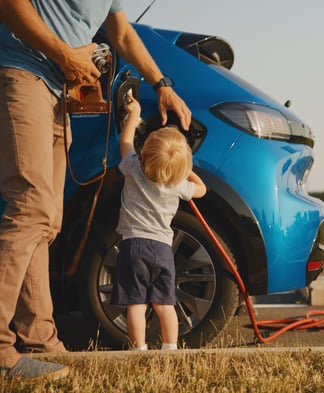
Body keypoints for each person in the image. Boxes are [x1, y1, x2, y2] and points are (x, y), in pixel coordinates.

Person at [0, 0, 191, 381]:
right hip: (22, 71)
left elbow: (121, 33)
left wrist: (161, 84)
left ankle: (39, 339)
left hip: (58, 90)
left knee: (48, 220)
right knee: (31, 209)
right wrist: (65, 54)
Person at [110, 92, 206, 351]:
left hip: (133, 247)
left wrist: (134, 114)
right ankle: (170, 348)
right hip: (162, 250)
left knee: (136, 304)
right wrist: (184, 170)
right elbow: (202, 190)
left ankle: (139, 349)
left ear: (145, 153)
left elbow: (126, 141)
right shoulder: (178, 185)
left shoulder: (133, 168)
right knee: (165, 304)